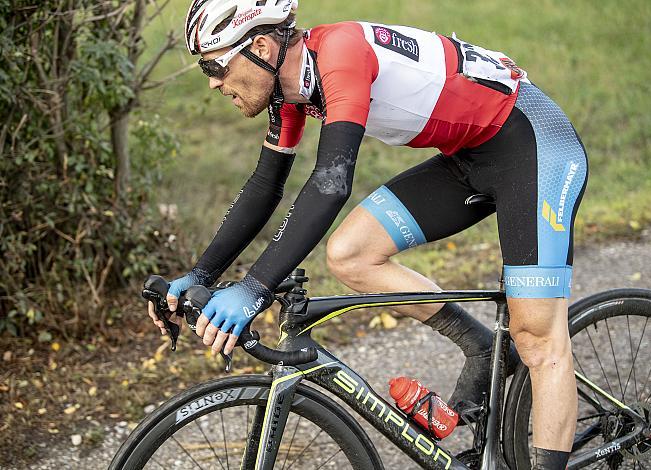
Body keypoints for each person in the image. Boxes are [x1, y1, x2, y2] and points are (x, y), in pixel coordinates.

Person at [147, 1, 588, 468]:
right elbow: (265, 186)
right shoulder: (290, 88)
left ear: (259, 47)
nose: (214, 83)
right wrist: (200, 273)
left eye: (215, 66)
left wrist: (254, 288)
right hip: (468, 155)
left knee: (536, 337)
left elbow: (331, 182)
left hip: (534, 144)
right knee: (350, 255)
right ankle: (479, 345)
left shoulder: (341, 53)